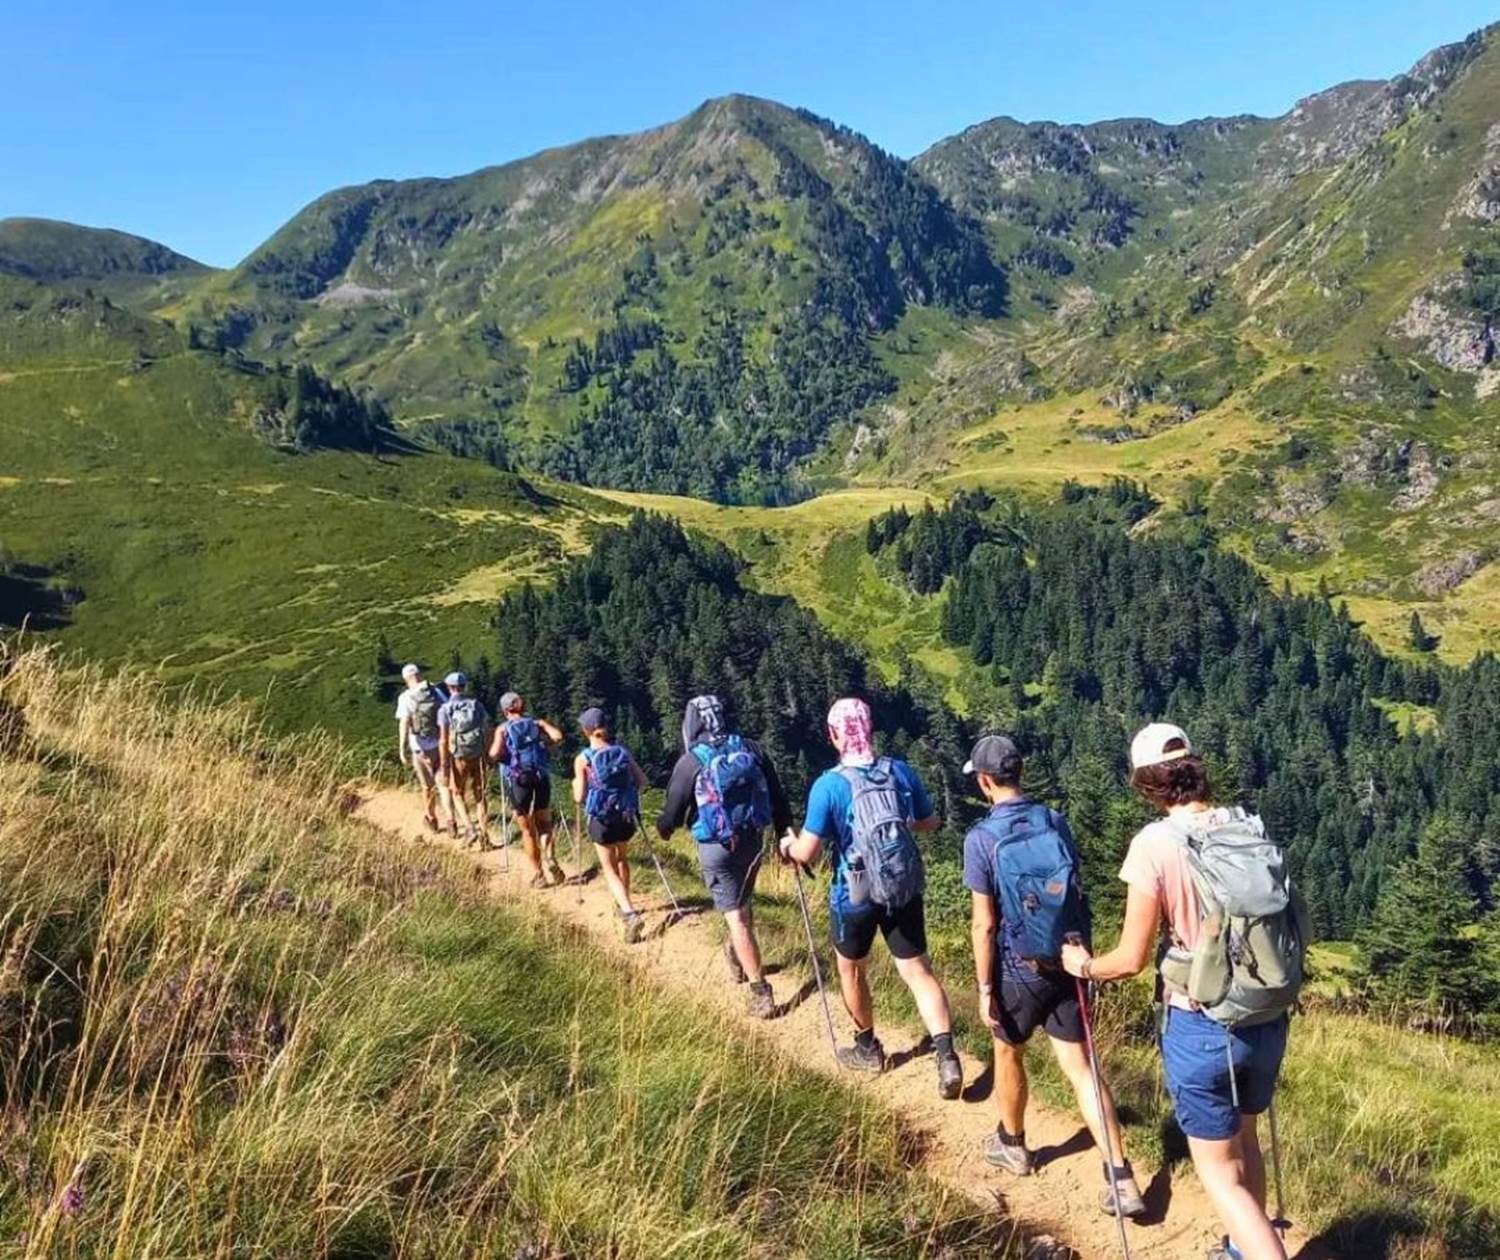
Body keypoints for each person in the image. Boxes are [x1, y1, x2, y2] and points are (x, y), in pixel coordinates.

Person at [1062, 724, 1300, 1260]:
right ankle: (1241, 1250)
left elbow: (1130, 958)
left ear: (1146, 785)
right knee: (1247, 1143)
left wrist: (1084, 965)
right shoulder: (1244, 826)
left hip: (1201, 1022)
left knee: (1219, 1174)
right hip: (1265, 1014)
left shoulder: (1154, 845)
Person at [962, 733, 1147, 1218]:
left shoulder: (982, 838)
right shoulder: (1054, 820)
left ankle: (1013, 1144)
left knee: (1008, 1049)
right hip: (1068, 959)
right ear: (1018, 774)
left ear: (985, 782)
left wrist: (985, 989)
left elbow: (984, 923)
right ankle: (1122, 1178)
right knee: (1081, 1067)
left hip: (1017, 968)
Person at [779, 697, 963, 1099]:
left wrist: (788, 845)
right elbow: (930, 822)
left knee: (852, 970)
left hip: (856, 888)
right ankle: (947, 1054)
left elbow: (808, 852)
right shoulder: (898, 770)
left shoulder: (829, 785)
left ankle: (867, 1048)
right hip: (902, 885)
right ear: (870, 729)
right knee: (918, 971)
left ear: (833, 736)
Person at [657, 694, 792, 1020]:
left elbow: (673, 811)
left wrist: (664, 827)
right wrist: (785, 832)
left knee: (736, 917)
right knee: (743, 905)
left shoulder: (692, 761)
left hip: (716, 846)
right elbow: (776, 794)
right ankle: (738, 954)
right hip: (753, 838)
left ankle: (760, 991)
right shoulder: (751, 748)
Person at [573, 707, 651, 944]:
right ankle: (624, 902)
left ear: (586, 730)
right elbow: (643, 782)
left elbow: (579, 796)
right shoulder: (622, 753)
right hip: (625, 816)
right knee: (622, 859)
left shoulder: (583, 758)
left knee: (608, 867)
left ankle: (628, 912)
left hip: (601, 818)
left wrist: (577, 784)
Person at [489, 691, 566, 889]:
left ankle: (538, 875)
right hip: (540, 776)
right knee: (544, 823)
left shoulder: (503, 729)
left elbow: (494, 753)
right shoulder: (536, 724)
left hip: (518, 780)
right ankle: (550, 856)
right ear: (521, 707)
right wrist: (544, 746)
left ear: (506, 710)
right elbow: (558, 737)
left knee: (527, 829)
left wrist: (505, 757)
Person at [394, 663, 451, 834]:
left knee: (427, 786)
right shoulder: (434, 690)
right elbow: (447, 712)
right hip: (440, 745)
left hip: (419, 747)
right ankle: (451, 820)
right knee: (443, 785)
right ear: (419, 674)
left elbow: (404, 723)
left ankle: (431, 818)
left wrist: (401, 748)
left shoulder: (405, 697)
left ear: (405, 679)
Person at [438, 672, 492, 848]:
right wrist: (488, 753)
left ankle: (470, 828)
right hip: (478, 753)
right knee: (480, 794)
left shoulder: (445, 709)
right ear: (464, 686)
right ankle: (485, 835)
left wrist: (445, 764)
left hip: (458, 756)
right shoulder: (476, 705)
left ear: (448, 687)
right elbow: (487, 728)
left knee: (456, 792)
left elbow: (444, 740)